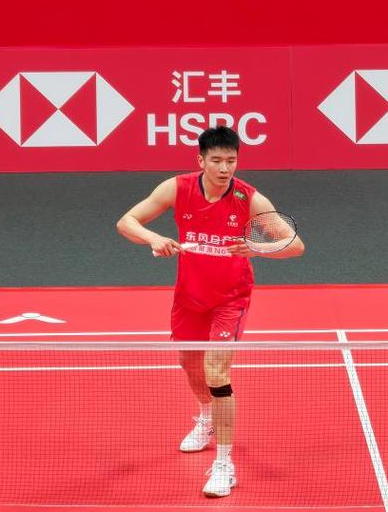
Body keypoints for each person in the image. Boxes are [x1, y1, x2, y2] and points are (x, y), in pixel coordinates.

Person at [116, 126, 305, 497]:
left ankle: (223, 464)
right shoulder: (177, 188)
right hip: (189, 297)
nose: (224, 168)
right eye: (216, 160)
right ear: (200, 160)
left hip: (231, 298)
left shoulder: (250, 198)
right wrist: (154, 238)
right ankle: (206, 417)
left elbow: (295, 244)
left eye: (231, 161)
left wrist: (259, 248)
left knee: (216, 371)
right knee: (190, 364)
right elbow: (127, 222)